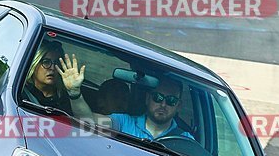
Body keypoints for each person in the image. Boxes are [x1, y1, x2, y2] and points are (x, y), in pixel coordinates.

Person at [59, 55, 193, 141]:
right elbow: (87, 121)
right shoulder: (124, 122)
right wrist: (74, 93)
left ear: (178, 106)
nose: (163, 104)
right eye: (157, 97)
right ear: (147, 99)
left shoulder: (185, 141)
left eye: (171, 100)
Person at [21, 40, 80, 115]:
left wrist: (75, 93)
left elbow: (84, 121)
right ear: (35, 64)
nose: (52, 68)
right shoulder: (20, 92)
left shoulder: (64, 98)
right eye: (46, 62)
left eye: (57, 63)